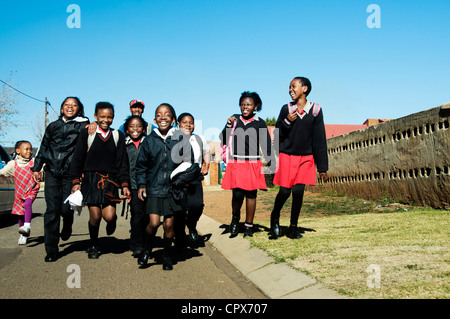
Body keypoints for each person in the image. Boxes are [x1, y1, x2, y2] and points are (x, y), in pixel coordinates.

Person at [31, 96, 89, 262]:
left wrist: (91, 124)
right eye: (66, 105)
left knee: (65, 209)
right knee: (52, 210)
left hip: (70, 173)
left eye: (74, 105)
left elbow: (91, 135)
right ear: (62, 107)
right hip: (51, 171)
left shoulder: (83, 126)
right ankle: (51, 249)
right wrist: (37, 168)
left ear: (79, 108)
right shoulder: (53, 126)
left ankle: (68, 222)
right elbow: (43, 147)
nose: (70, 107)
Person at [70, 102, 131, 259]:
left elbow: (122, 163)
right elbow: (78, 159)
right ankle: (93, 245)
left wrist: (124, 184)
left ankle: (112, 221)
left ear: (113, 117)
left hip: (110, 181)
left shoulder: (118, 136)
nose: (106, 120)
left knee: (109, 216)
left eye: (109, 117)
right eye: (102, 116)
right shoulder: (87, 134)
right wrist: (75, 181)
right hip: (91, 179)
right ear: (95, 116)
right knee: (95, 216)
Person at [270, 76, 329, 239]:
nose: (290, 90)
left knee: (298, 192)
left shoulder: (316, 110)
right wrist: (287, 121)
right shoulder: (286, 109)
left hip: (306, 158)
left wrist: (322, 167)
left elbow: (319, 139)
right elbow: (277, 134)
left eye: (293, 86)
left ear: (305, 89)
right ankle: (274, 218)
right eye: (289, 87)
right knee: (284, 191)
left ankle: (293, 227)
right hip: (287, 156)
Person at [135, 103, 189, 270]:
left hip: (173, 190)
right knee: (153, 223)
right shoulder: (149, 140)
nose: (163, 117)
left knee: (168, 225)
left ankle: (167, 255)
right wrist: (142, 185)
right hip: (154, 188)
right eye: (159, 115)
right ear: (154, 119)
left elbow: (188, 163)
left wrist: (184, 181)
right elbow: (141, 166)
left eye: (167, 115)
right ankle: (146, 249)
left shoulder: (180, 138)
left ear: (173, 119)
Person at [221, 91, 274, 238]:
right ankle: (235, 220)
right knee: (237, 195)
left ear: (255, 106)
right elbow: (224, 138)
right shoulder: (234, 119)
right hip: (236, 162)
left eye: (249, 104)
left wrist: (272, 165)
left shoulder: (260, 122)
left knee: (251, 195)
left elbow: (266, 145)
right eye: (243, 104)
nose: (245, 107)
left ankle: (249, 226)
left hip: (252, 163)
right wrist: (227, 124)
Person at [174, 112, 210, 248]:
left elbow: (206, 152)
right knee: (179, 211)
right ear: (179, 124)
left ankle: (192, 225)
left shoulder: (199, 138)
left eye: (191, 122)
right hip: (179, 181)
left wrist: (206, 166)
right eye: (185, 122)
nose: (188, 125)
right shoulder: (173, 139)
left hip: (195, 179)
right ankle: (180, 239)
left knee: (197, 206)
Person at [0, 141, 40, 245]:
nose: (29, 151)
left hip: (31, 189)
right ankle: (23, 234)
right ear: (18, 151)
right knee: (20, 213)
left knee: (27, 204)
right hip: (19, 192)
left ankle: (27, 226)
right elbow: (3, 172)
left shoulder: (33, 162)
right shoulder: (13, 164)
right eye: (26, 149)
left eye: (30, 149)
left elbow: (42, 166)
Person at [123, 115, 148, 257]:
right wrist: (124, 185)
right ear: (127, 129)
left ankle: (146, 242)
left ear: (144, 129)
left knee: (147, 216)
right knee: (137, 214)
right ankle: (137, 245)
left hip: (147, 184)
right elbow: (122, 166)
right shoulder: (124, 145)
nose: (135, 129)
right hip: (132, 185)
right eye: (132, 126)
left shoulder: (149, 142)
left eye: (138, 126)